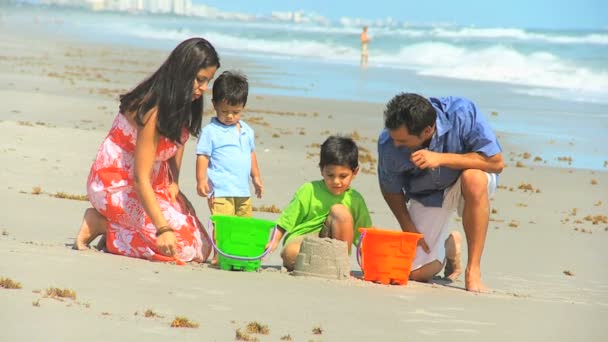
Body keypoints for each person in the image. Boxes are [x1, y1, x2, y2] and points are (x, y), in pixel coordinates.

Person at [73, 37, 220, 264]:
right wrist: (162, 229)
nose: (204, 88)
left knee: (202, 245)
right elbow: (140, 178)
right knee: (182, 247)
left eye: (208, 81)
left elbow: (177, 142)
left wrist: (175, 184)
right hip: (116, 183)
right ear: (183, 73)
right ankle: (100, 224)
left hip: (155, 181)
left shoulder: (182, 101)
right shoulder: (152, 109)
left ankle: (119, 231)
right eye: (200, 80)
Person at [377, 93, 504, 292]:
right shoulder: (388, 142)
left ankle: (473, 270)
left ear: (427, 130)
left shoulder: (462, 112)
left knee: (474, 178)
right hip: (427, 195)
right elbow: (390, 188)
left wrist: (441, 159)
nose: (396, 145)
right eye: (394, 138)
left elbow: (496, 163)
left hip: (466, 183)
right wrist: (408, 226)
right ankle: (450, 248)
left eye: (402, 140)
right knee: (414, 274)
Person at [267, 136, 372, 271]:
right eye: (330, 175)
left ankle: (339, 265)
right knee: (291, 252)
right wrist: (274, 241)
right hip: (304, 240)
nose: (336, 181)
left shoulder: (355, 199)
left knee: (340, 211)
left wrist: (369, 264)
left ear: (355, 172)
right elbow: (286, 220)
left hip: (334, 249)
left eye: (343, 176)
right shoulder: (309, 190)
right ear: (322, 170)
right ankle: (322, 266)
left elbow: (365, 236)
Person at [195, 71, 263, 263]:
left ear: (243, 107)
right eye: (225, 111)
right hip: (220, 189)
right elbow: (203, 156)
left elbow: (251, 154)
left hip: (242, 190)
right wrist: (201, 180)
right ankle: (220, 254)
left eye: (236, 111)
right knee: (223, 223)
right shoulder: (211, 131)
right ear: (215, 104)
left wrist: (256, 177)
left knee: (243, 223)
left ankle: (239, 253)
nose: (230, 116)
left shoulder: (247, 131)